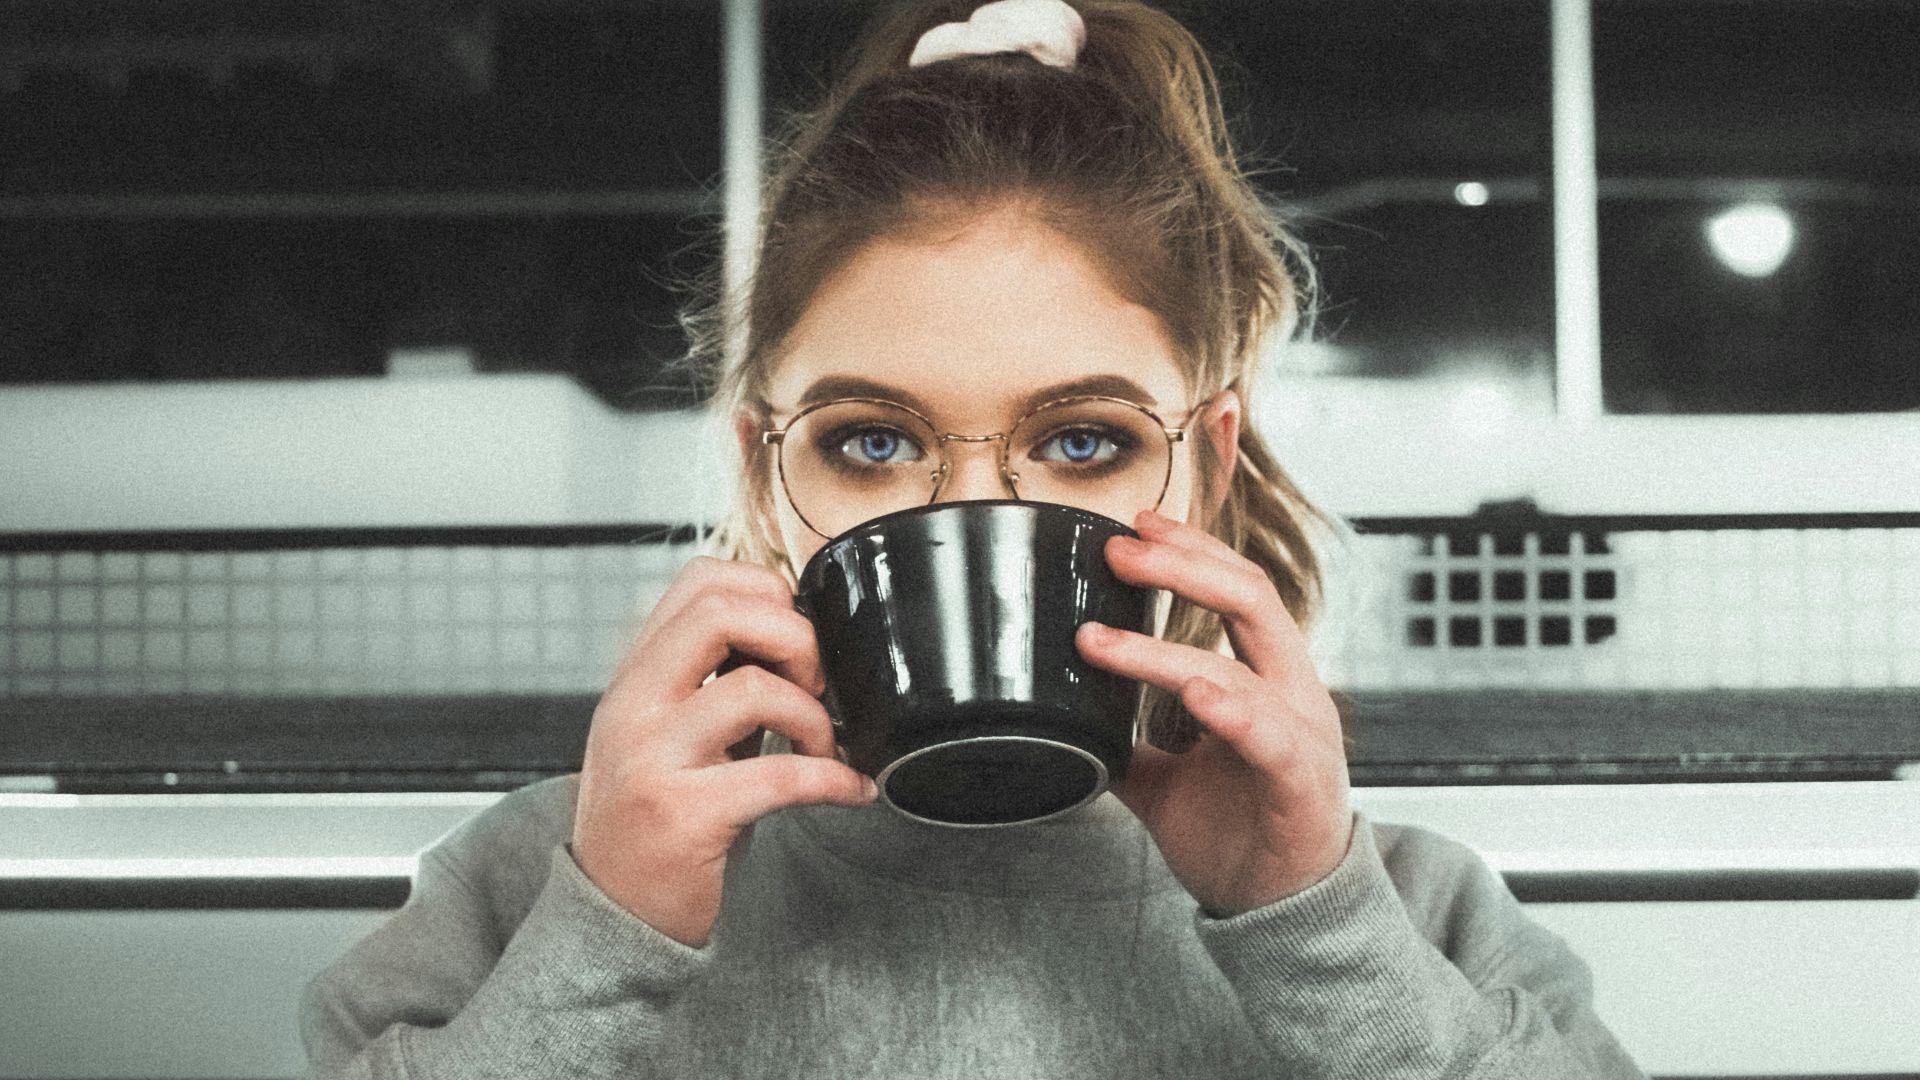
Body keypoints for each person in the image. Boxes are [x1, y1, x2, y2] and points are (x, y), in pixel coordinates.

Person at [299, 2, 1648, 1076]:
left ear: (1205, 463)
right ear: (768, 469)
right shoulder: (538, 888)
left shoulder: (1402, 909)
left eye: (1083, 443)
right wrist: (608, 937)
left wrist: (1317, 932)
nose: (967, 520)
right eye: (873, 443)